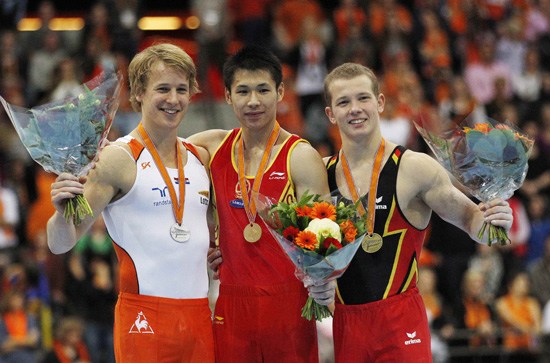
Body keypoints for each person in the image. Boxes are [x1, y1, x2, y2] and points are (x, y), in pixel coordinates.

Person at [322, 62, 514, 362]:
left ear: (380, 102)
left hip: (401, 322)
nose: (355, 109)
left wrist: (496, 219)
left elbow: (470, 219)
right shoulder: (320, 175)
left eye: (363, 98)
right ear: (330, 114)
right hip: (347, 324)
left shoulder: (414, 167)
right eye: (343, 102)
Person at [46, 43, 215, 362]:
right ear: (138, 93)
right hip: (144, 317)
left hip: (198, 316)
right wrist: (60, 214)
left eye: (182, 89)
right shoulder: (117, 159)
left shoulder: (199, 158)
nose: (173, 99)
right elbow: (60, 243)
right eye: (163, 89)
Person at [188, 45, 332, 362]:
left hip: (288, 303)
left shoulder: (300, 156)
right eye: (243, 91)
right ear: (227, 96)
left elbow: (327, 248)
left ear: (281, 92)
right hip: (232, 302)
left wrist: (286, 224)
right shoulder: (211, 147)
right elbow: (154, 153)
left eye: (263, 90)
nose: (253, 101)